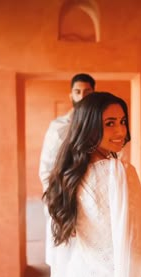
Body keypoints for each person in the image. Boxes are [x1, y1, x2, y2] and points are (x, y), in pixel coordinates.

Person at [43, 92, 141, 277]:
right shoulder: (119, 173)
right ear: (88, 127)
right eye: (110, 123)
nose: (121, 131)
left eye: (122, 121)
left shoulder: (68, 175)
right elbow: (137, 244)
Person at [39, 73, 95, 265]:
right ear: (71, 95)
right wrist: (56, 205)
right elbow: (46, 169)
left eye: (87, 91)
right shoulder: (58, 127)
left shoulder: (99, 127)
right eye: (77, 91)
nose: (82, 96)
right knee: (65, 260)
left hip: (93, 200)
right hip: (63, 198)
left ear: (93, 94)